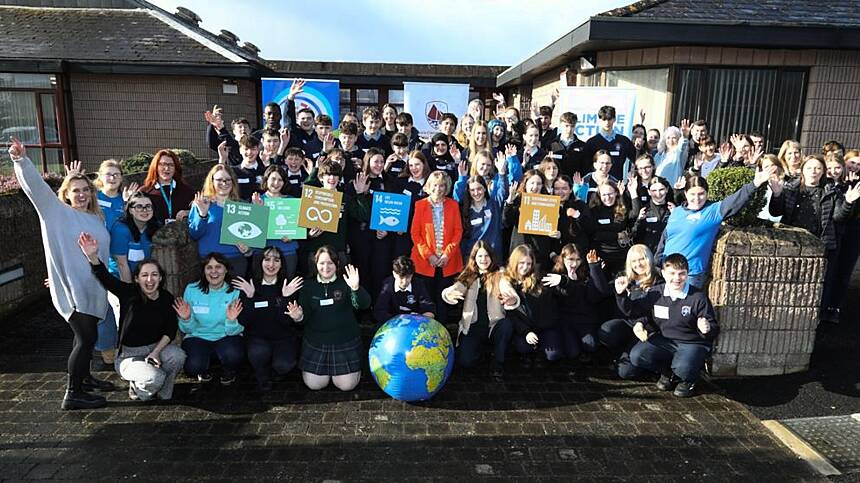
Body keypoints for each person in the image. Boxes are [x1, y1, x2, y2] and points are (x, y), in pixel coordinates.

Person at [10, 138, 114, 410]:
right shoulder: (56, 213)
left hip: (94, 288)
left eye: (85, 190)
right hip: (74, 291)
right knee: (86, 339)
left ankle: (86, 378)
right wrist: (22, 161)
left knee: (86, 337)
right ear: (66, 193)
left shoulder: (96, 217)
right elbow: (37, 190)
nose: (81, 194)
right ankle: (73, 393)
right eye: (75, 190)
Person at [78, 234, 186, 401]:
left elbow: (170, 330)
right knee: (154, 378)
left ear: (161, 278)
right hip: (129, 355)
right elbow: (105, 278)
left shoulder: (166, 298)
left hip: (156, 348)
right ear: (137, 279)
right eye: (144, 275)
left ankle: (164, 386)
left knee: (178, 356)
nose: (150, 279)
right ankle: (138, 386)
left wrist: (156, 353)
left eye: (154, 275)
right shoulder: (128, 293)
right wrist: (92, 256)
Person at [768, 155, 860, 323]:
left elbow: (839, 217)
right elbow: (776, 212)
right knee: (789, 280)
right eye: (809, 168)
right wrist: (777, 194)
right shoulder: (790, 188)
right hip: (793, 244)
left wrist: (847, 202)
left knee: (818, 283)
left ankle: (814, 319)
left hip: (821, 245)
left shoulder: (831, 191)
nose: (813, 171)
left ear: (823, 171)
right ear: (802, 169)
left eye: (818, 168)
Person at [614, 254, 718, 398]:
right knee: (638, 355)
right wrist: (621, 295)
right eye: (672, 273)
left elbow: (713, 329)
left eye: (682, 274)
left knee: (683, 368)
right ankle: (669, 373)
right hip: (665, 340)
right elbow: (633, 310)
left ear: (688, 274)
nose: (677, 278)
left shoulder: (698, 297)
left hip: (691, 342)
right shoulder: (656, 292)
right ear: (663, 273)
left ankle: (689, 379)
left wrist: (707, 328)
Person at [656, 167, 774, 289]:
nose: (697, 198)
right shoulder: (677, 211)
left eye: (701, 194)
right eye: (692, 194)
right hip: (667, 271)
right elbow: (666, 237)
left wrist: (754, 184)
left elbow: (735, 201)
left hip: (689, 274)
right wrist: (657, 262)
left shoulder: (713, 211)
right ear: (685, 194)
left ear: (707, 193)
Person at [292, 247, 370, 391]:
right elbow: (304, 318)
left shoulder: (346, 282)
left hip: (344, 341)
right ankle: (329, 371)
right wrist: (298, 317)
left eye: (330, 263)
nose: (326, 267)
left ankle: (345, 372)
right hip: (316, 342)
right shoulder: (307, 286)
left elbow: (364, 305)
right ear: (315, 264)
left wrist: (356, 288)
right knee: (314, 385)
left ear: (337, 264)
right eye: (322, 263)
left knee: (347, 386)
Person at [441, 241, 517, 381]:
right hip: (473, 326)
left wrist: (511, 298)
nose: (483, 259)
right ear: (474, 258)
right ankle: (481, 350)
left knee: (506, 325)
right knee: (465, 362)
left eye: (487, 256)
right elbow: (457, 287)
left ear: (491, 257)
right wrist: (450, 293)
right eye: (480, 256)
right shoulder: (469, 274)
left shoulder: (499, 274)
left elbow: (507, 287)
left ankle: (497, 363)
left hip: (494, 325)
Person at [233, 247, 302, 391]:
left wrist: (285, 298)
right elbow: (244, 321)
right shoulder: (249, 286)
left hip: (283, 337)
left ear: (282, 264)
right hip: (257, 338)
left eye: (276, 260)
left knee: (284, 365)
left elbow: (286, 322)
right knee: (258, 354)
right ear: (260, 262)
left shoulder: (288, 286)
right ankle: (261, 373)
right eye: (267, 259)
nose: (271, 264)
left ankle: (276, 370)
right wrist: (250, 298)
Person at [175, 253, 244, 385]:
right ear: (204, 270)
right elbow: (187, 329)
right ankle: (204, 368)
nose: (214, 271)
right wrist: (186, 319)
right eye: (209, 267)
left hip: (226, 336)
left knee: (234, 355)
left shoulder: (236, 291)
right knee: (193, 367)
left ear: (226, 269)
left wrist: (231, 321)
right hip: (198, 337)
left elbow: (239, 328)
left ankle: (228, 370)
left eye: (218, 267)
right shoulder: (191, 289)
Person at [541, 245, 609, 375]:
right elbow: (561, 298)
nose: (574, 263)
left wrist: (595, 269)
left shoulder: (586, 273)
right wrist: (566, 282)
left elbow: (596, 295)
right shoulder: (557, 275)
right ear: (563, 259)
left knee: (591, 344)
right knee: (573, 352)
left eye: (578, 260)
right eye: (570, 259)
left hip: (584, 320)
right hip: (565, 321)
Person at [599, 244, 662, 377]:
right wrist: (620, 294)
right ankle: (622, 352)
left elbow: (653, 310)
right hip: (629, 324)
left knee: (625, 372)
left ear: (649, 259)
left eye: (641, 259)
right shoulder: (626, 278)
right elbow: (604, 292)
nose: (638, 264)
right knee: (607, 331)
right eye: (634, 261)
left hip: (646, 329)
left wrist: (640, 323)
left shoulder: (658, 282)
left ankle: (650, 365)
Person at [411, 171, 463, 323]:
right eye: (435, 185)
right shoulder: (420, 205)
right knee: (427, 301)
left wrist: (447, 254)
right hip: (425, 262)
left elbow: (458, 231)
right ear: (429, 186)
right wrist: (429, 256)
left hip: (447, 261)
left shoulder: (453, 205)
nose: (438, 189)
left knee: (443, 302)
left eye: (442, 186)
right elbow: (415, 234)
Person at [188, 164, 254, 277]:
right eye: (219, 180)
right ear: (212, 181)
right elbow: (194, 234)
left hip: (235, 260)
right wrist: (203, 215)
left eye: (228, 180)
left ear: (233, 182)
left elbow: (251, 238)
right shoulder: (201, 203)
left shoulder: (243, 206)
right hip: (210, 262)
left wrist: (248, 250)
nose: (224, 183)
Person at [504, 244, 561, 369]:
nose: (525, 267)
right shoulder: (507, 282)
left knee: (553, 354)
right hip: (524, 328)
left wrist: (563, 280)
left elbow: (556, 297)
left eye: (529, 264)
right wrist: (526, 331)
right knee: (523, 347)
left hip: (544, 326)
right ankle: (526, 354)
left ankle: (540, 350)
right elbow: (510, 313)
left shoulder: (540, 277)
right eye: (521, 263)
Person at [503, 169, 556, 271]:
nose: (535, 187)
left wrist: (556, 234)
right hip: (519, 251)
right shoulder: (517, 200)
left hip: (540, 255)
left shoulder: (549, 202)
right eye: (532, 183)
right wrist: (510, 201)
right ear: (525, 184)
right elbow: (506, 221)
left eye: (539, 184)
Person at [253, 165, 300, 279]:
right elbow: (253, 231)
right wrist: (258, 210)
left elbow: (298, 228)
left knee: (287, 285)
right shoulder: (257, 201)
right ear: (266, 180)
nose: (276, 183)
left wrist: (292, 236)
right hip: (263, 253)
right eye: (273, 179)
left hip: (287, 251)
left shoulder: (292, 201)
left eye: (280, 180)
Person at [110, 192, 159, 283]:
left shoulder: (154, 227)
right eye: (139, 207)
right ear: (130, 210)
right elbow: (121, 264)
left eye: (148, 206)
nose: (144, 210)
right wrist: (130, 292)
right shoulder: (121, 230)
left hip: (143, 279)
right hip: (121, 280)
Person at [373, 256, 436, 323]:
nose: (405, 281)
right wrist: (399, 321)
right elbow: (379, 311)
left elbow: (430, 309)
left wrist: (419, 318)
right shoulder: (387, 286)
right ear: (394, 274)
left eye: (408, 277)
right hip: (392, 324)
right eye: (401, 277)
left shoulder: (419, 284)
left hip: (415, 324)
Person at [588, 181, 632, 275]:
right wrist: (616, 235)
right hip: (602, 256)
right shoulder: (594, 211)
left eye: (610, 194)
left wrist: (625, 194)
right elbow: (594, 234)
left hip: (621, 256)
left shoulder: (622, 207)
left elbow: (634, 216)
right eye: (604, 195)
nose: (607, 198)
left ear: (616, 193)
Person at [582, 105, 636, 180]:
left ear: (614, 119)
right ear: (599, 120)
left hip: (616, 185)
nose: (607, 122)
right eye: (604, 119)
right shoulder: (591, 142)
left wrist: (633, 172)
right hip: (596, 186)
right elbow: (585, 166)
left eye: (609, 119)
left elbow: (637, 160)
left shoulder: (624, 141)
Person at [141, 149, 194, 223]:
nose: (166, 168)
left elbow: (201, 212)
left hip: (180, 233)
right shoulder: (144, 192)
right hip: (153, 234)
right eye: (162, 164)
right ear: (155, 167)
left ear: (176, 168)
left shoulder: (187, 191)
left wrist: (188, 212)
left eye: (171, 165)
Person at [630, 176, 673, 253]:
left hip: (668, 252)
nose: (658, 194)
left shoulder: (672, 209)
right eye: (654, 190)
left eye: (661, 190)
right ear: (649, 192)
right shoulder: (645, 210)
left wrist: (676, 216)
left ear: (667, 189)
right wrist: (639, 221)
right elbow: (634, 236)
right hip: (649, 254)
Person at [543, 112, 586, 177]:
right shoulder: (550, 145)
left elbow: (585, 167)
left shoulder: (582, 146)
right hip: (556, 182)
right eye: (566, 126)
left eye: (572, 126)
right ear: (560, 125)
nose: (569, 129)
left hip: (574, 183)